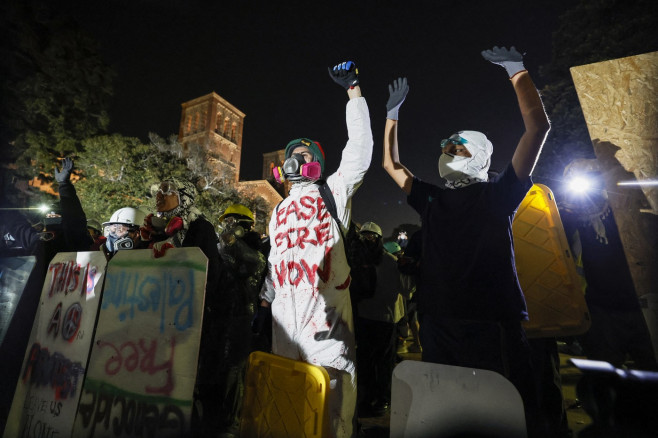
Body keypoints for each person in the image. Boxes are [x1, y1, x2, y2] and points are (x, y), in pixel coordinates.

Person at [382, 46, 551, 437]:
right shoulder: (432, 199)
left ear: (480, 155)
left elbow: (536, 129)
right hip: (439, 322)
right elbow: (391, 165)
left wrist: (517, 73)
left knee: (505, 414)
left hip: (492, 324)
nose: (449, 151)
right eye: (447, 147)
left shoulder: (500, 193)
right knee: (448, 413)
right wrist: (392, 115)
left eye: (459, 147)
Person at [259, 60, 372, 438]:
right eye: (292, 153)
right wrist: (268, 290)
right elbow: (276, 256)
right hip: (284, 328)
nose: (296, 158)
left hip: (327, 326)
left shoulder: (333, 192)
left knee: (333, 403)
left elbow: (359, 149)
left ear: (317, 165)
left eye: (304, 155)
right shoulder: (279, 209)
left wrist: (353, 93)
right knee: (289, 405)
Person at [140, 177, 224, 435]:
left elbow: (210, 273)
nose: (160, 195)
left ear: (184, 198)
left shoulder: (199, 227)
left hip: (187, 319)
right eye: (159, 190)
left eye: (168, 191)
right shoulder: (151, 229)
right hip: (154, 317)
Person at [212, 203, 267, 436]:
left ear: (245, 226)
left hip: (242, 315)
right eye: (226, 221)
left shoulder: (254, 249)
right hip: (219, 313)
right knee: (218, 364)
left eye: (233, 221)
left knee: (235, 368)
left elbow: (256, 263)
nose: (228, 226)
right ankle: (214, 414)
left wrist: (234, 242)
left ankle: (231, 422)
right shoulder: (222, 246)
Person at [350, 221, 404, 418]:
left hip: (364, 317)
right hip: (386, 318)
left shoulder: (355, 261)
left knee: (366, 360)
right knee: (383, 362)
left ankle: (366, 398)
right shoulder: (391, 261)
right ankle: (382, 399)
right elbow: (404, 290)